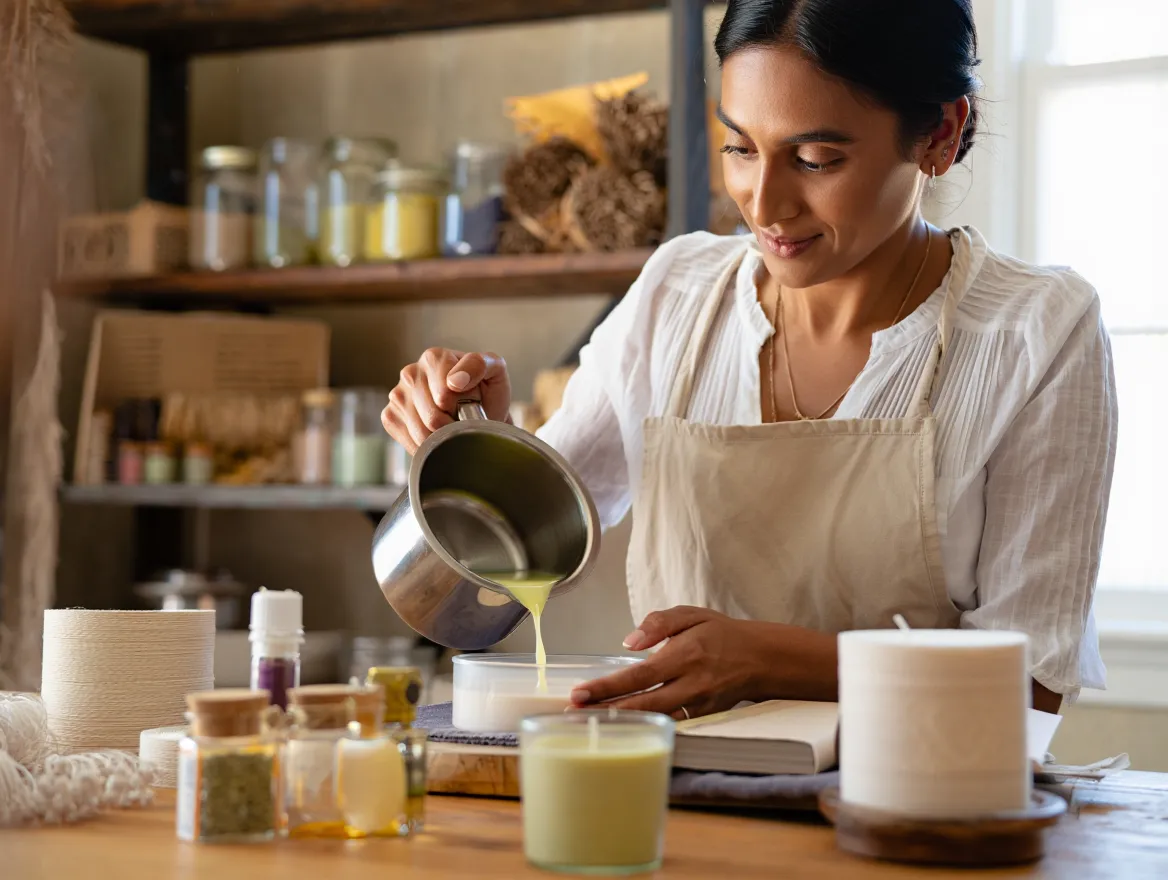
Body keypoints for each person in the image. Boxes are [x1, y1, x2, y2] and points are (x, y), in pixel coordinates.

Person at [382, 0, 1116, 719]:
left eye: (815, 159)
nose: (763, 204)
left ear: (940, 135)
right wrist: (478, 439)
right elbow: (527, 556)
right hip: (688, 806)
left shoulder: (1038, 332)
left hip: (917, 812)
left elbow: (1033, 681)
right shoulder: (677, 294)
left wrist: (775, 662)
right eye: (740, 147)